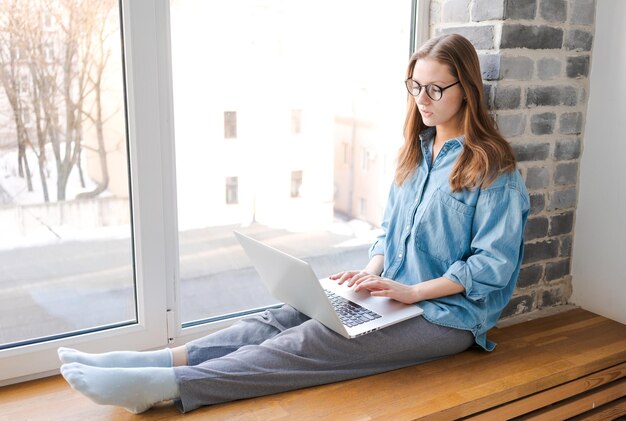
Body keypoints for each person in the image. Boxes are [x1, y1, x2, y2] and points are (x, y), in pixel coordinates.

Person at [58, 33, 529, 414]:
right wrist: (373, 271)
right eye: (414, 86)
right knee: (287, 315)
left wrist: (411, 292)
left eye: (435, 88)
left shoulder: (494, 170)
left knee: (315, 341)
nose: (422, 99)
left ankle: (169, 386)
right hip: (392, 296)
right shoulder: (414, 153)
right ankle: (153, 362)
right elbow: (389, 231)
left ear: (466, 89)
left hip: (446, 318)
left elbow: (492, 268)